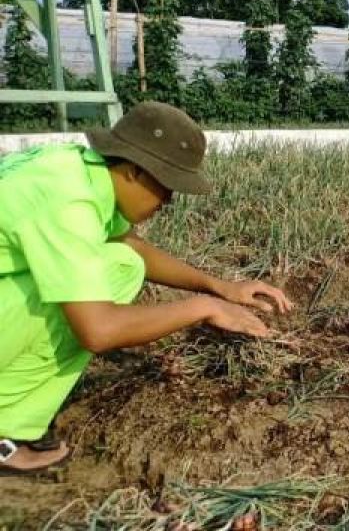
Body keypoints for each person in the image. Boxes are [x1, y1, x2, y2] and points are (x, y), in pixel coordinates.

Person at [0, 101, 292, 475]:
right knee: (83, 299)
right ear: (135, 171)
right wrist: (201, 308)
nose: (169, 201)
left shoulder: (77, 171)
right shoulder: (68, 203)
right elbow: (98, 331)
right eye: (166, 185)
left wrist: (219, 287)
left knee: (120, 266)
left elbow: (127, 245)